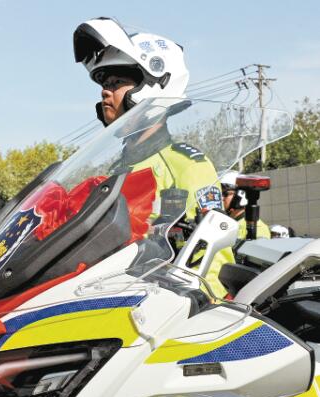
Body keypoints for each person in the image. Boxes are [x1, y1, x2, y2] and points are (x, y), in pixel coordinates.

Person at [73, 17, 230, 297]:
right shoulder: (116, 170)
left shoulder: (186, 165)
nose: (105, 90)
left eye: (117, 81)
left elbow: (214, 255)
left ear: (154, 85)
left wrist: (197, 302)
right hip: (113, 298)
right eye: (103, 83)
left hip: (168, 308)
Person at [219, 171, 270, 239]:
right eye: (219, 194)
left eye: (225, 194)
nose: (221, 198)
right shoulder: (226, 224)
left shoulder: (257, 228)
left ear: (240, 195)